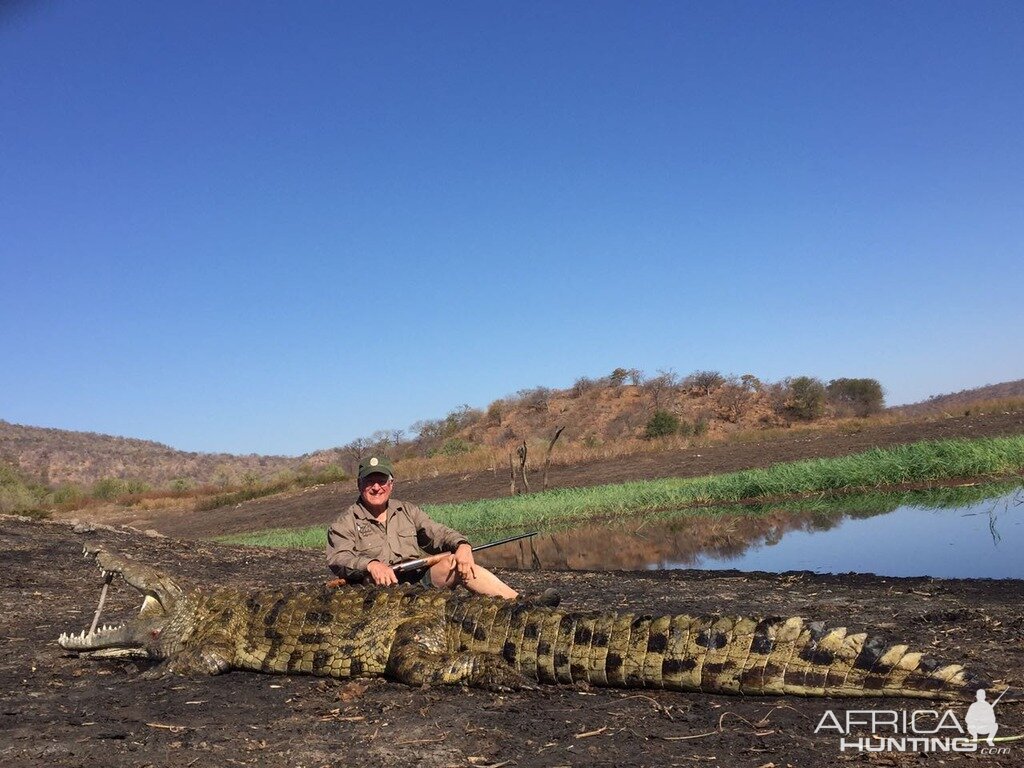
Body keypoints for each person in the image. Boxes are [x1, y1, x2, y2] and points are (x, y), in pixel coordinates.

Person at [327, 455, 521, 598]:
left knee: (456, 562)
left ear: (391, 484)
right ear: (359, 484)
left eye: (382, 481)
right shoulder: (344, 523)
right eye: (370, 481)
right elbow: (338, 558)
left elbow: (437, 533)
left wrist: (462, 545)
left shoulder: (408, 511)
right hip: (375, 589)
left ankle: (517, 602)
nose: (376, 487)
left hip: (417, 580)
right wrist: (370, 565)